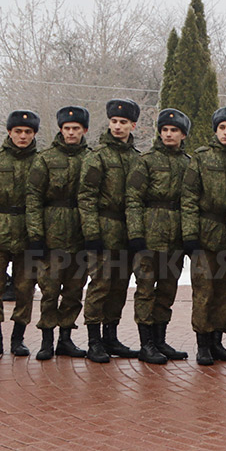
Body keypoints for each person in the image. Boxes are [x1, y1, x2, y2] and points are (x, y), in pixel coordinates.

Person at [0, 109, 41, 358]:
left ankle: (18, 339)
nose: (22, 136)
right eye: (18, 131)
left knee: (25, 289)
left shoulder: (40, 161)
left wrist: (38, 236)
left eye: (28, 132)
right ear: (9, 132)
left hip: (27, 233)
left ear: (34, 134)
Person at [127, 108, 192, 364]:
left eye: (173, 130)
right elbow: (132, 199)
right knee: (145, 289)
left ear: (183, 134)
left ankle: (160, 339)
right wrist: (136, 234)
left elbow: (190, 202)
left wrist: (188, 236)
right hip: (149, 234)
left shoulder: (188, 163)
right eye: (164, 130)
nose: (168, 134)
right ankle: (146, 344)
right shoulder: (146, 161)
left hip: (175, 236)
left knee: (167, 290)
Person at [181, 107, 226, 366]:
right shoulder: (201, 158)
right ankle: (203, 344)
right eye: (222, 128)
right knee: (204, 291)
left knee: (224, 291)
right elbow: (189, 198)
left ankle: (218, 341)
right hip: (205, 233)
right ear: (215, 130)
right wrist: (190, 235)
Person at [79, 98, 142, 362]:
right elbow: (86, 196)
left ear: (133, 126)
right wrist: (92, 233)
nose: (118, 127)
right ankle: (94, 341)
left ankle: (111, 337)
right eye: (114, 122)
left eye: (123, 122)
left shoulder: (138, 159)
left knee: (119, 286)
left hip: (127, 231)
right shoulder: (98, 157)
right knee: (100, 285)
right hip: (104, 229)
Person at [27, 106, 92, 360]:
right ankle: (46, 340)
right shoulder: (45, 159)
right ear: (61, 130)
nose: (71, 133)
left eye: (76, 128)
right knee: (50, 289)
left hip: (80, 231)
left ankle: (66, 338)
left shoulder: (92, 158)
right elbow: (33, 199)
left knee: (75, 289)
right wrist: (36, 235)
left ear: (84, 130)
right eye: (67, 128)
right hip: (52, 232)